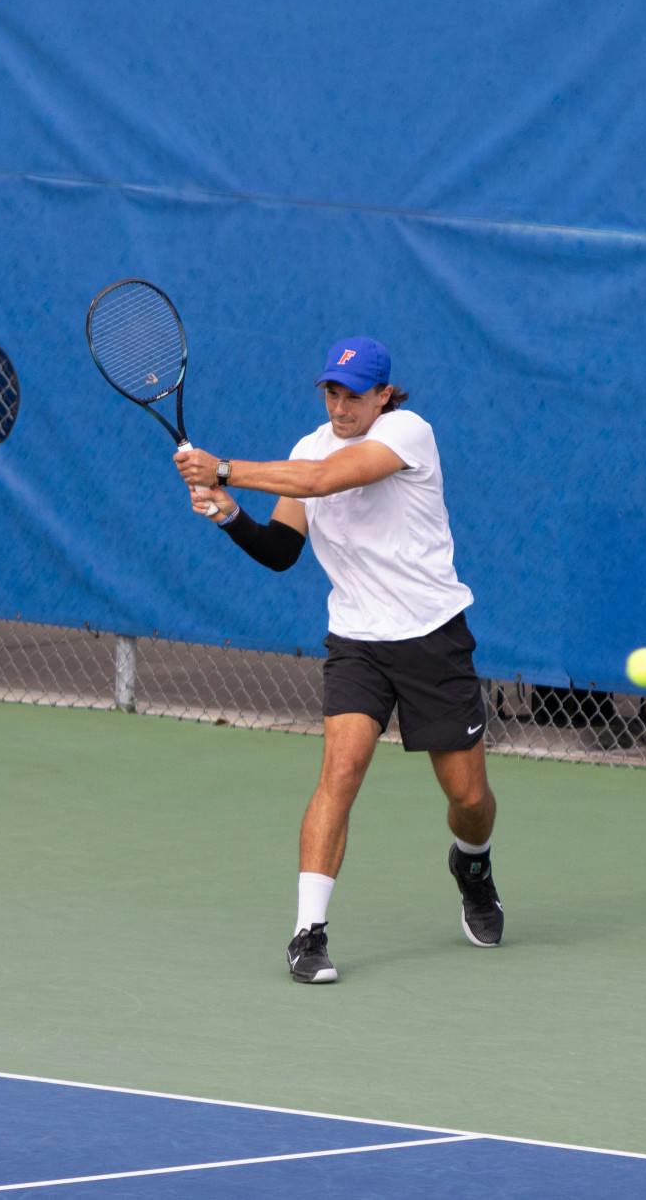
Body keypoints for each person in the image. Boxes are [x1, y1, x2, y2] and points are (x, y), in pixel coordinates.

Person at [173, 336, 500, 984]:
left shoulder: (409, 433)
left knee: (469, 796)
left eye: (355, 394)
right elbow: (280, 549)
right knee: (339, 772)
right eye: (332, 392)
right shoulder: (305, 448)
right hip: (355, 642)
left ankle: (473, 862)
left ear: (384, 394)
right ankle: (308, 932)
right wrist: (229, 513)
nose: (341, 405)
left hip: (432, 635)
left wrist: (225, 469)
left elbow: (325, 481)